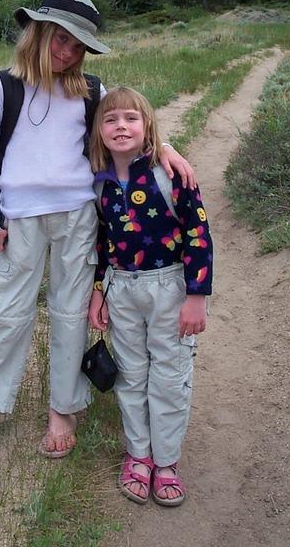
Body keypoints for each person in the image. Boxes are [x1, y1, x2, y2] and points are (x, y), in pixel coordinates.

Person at [0, 0, 194, 457]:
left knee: (69, 312)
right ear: (37, 32)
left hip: (78, 216)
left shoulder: (91, 91)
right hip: (19, 219)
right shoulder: (1, 87)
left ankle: (63, 408)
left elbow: (127, 127)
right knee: (5, 311)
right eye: (61, 39)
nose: (67, 53)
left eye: (78, 46)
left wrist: (165, 148)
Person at [88, 86, 212, 505]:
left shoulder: (171, 174)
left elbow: (198, 234)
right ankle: (138, 454)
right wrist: (99, 291)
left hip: (171, 287)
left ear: (148, 126)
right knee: (131, 372)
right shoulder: (100, 184)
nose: (121, 126)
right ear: (99, 131)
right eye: (111, 120)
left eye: (131, 119)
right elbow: (103, 243)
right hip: (123, 289)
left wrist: (197, 295)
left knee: (171, 372)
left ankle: (167, 461)